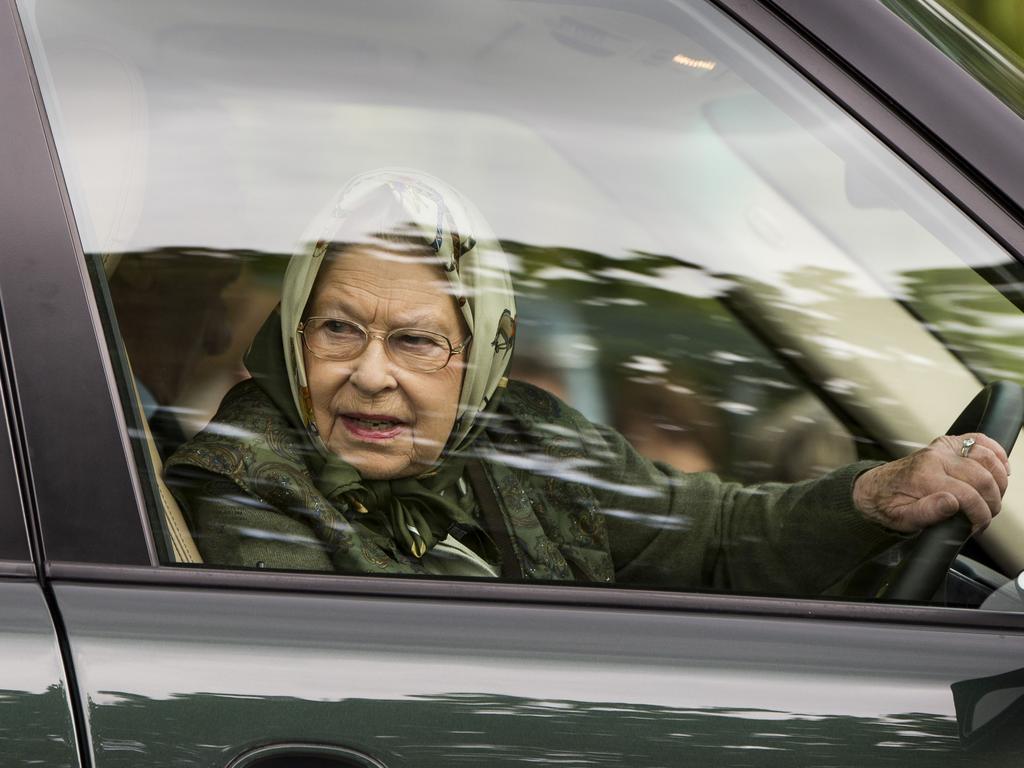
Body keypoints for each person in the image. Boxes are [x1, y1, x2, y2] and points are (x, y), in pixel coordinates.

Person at [165, 169, 1010, 594]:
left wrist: (872, 499)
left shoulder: (523, 432)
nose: (371, 375)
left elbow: (706, 534)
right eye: (339, 330)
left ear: (481, 357)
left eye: (418, 342)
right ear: (294, 337)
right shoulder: (247, 477)